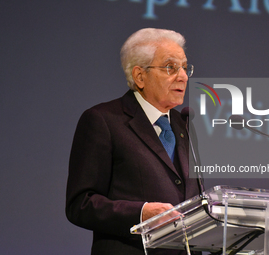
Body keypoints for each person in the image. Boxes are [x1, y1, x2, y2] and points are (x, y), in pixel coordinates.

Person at [65, 28, 201, 255]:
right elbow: (80, 204)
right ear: (140, 76)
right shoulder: (104, 121)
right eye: (170, 67)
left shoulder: (184, 124)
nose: (183, 76)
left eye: (185, 68)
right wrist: (140, 213)